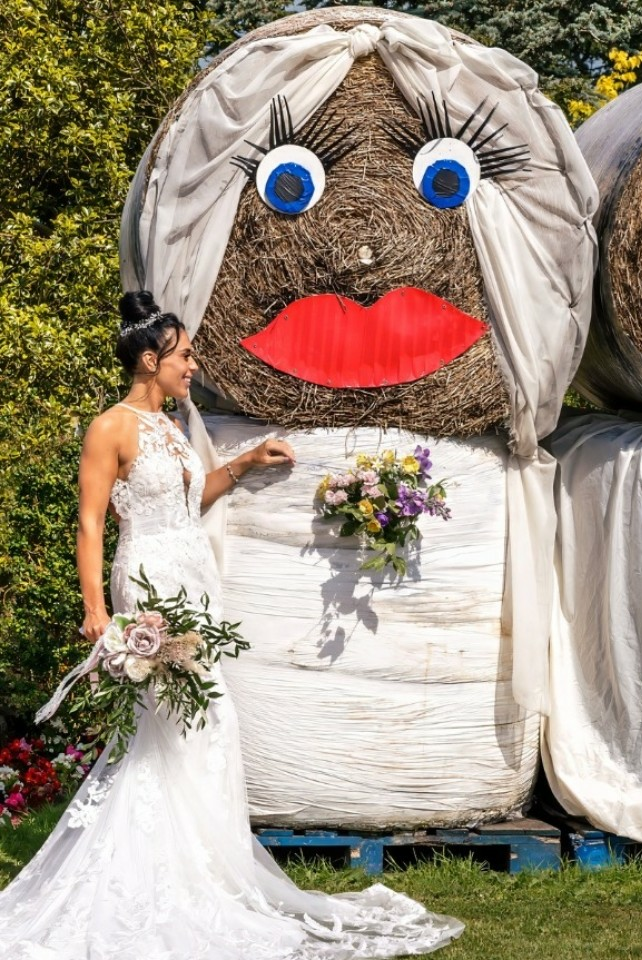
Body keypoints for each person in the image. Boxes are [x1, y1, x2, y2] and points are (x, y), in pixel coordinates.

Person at [0, 291, 464, 958]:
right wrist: (97, 609)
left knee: (194, 731)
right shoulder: (112, 428)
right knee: (191, 724)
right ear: (152, 358)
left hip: (195, 578)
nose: (194, 366)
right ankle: (166, 877)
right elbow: (92, 522)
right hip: (152, 583)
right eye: (185, 356)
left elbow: (189, 500)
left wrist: (240, 468)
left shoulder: (173, 425)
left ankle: (199, 868)